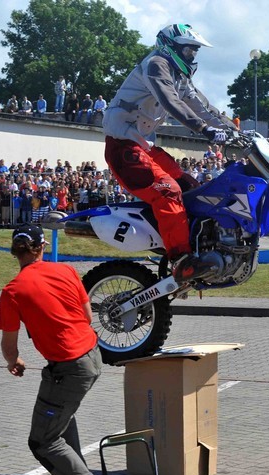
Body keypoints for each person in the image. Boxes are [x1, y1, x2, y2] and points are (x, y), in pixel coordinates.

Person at [101, 23, 233, 282]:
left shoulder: (180, 76)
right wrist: (204, 129)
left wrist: (237, 133)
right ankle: (181, 260)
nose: (193, 56)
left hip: (143, 147)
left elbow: (205, 108)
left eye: (195, 51)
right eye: (189, 50)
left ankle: (198, 246)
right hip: (123, 147)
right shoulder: (157, 64)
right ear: (171, 46)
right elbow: (170, 103)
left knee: (190, 186)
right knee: (167, 190)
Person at [0, 224, 105, 475]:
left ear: (14, 252)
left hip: (69, 368)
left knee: (42, 441)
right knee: (61, 416)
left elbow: (9, 346)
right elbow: (88, 317)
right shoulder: (67, 270)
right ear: (42, 247)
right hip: (92, 355)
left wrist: (14, 361)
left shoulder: (12, 291)